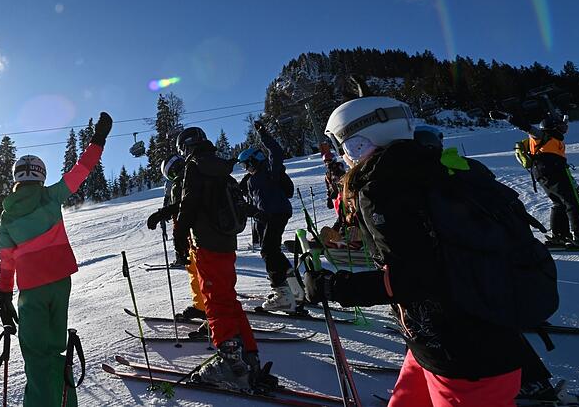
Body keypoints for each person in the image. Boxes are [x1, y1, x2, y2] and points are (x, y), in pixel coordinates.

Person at [305, 96, 551, 407]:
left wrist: (334, 286)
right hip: (444, 340)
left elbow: (417, 279)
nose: (344, 155)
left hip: (463, 358)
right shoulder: (434, 166)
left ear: (358, 143)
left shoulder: (384, 187)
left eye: (342, 144)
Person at [414, 124, 577, 406]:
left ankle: (525, 383)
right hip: (506, 259)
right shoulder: (465, 166)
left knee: (480, 329)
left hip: (470, 270)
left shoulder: (427, 178)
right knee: (496, 323)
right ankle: (534, 380)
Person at [0, 112, 112, 406]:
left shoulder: (8, 217)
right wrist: (98, 140)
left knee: (36, 355)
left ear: (17, 179)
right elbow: (82, 169)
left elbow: (7, 262)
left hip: (32, 290)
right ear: (40, 175)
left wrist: (4, 297)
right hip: (61, 284)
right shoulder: (51, 197)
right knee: (56, 348)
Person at [174, 126, 267, 391]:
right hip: (227, 243)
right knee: (228, 298)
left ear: (187, 147)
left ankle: (231, 364)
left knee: (215, 302)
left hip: (207, 243)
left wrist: (180, 237)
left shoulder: (195, 167)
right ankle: (249, 356)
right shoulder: (220, 168)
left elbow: (189, 204)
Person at [491, 109, 579, 247]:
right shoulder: (542, 135)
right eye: (561, 126)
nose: (564, 129)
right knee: (572, 202)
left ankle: (559, 235)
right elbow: (524, 125)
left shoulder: (554, 141)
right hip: (552, 171)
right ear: (552, 127)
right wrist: (505, 116)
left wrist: (574, 183)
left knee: (559, 203)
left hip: (544, 174)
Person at [237, 121, 301, 312]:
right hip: (266, 217)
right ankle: (292, 284)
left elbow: (276, 153)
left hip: (277, 213)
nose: (245, 168)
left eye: (246, 164)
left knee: (268, 251)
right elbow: (252, 200)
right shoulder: (250, 180)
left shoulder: (269, 171)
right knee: (272, 250)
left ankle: (283, 294)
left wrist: (263, 134)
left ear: (254, 160)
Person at [146, 154, 207, 321]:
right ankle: (201, 306)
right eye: (171, 175)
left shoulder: (190, 180)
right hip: (187, 234)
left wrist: (163, 214)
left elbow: (184, 206)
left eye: (174, 172)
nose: (175, 175)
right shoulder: (180, 184)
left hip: (196, 233)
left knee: (203, 272)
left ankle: (211, 309)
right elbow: (177, 208)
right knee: (194, 270)